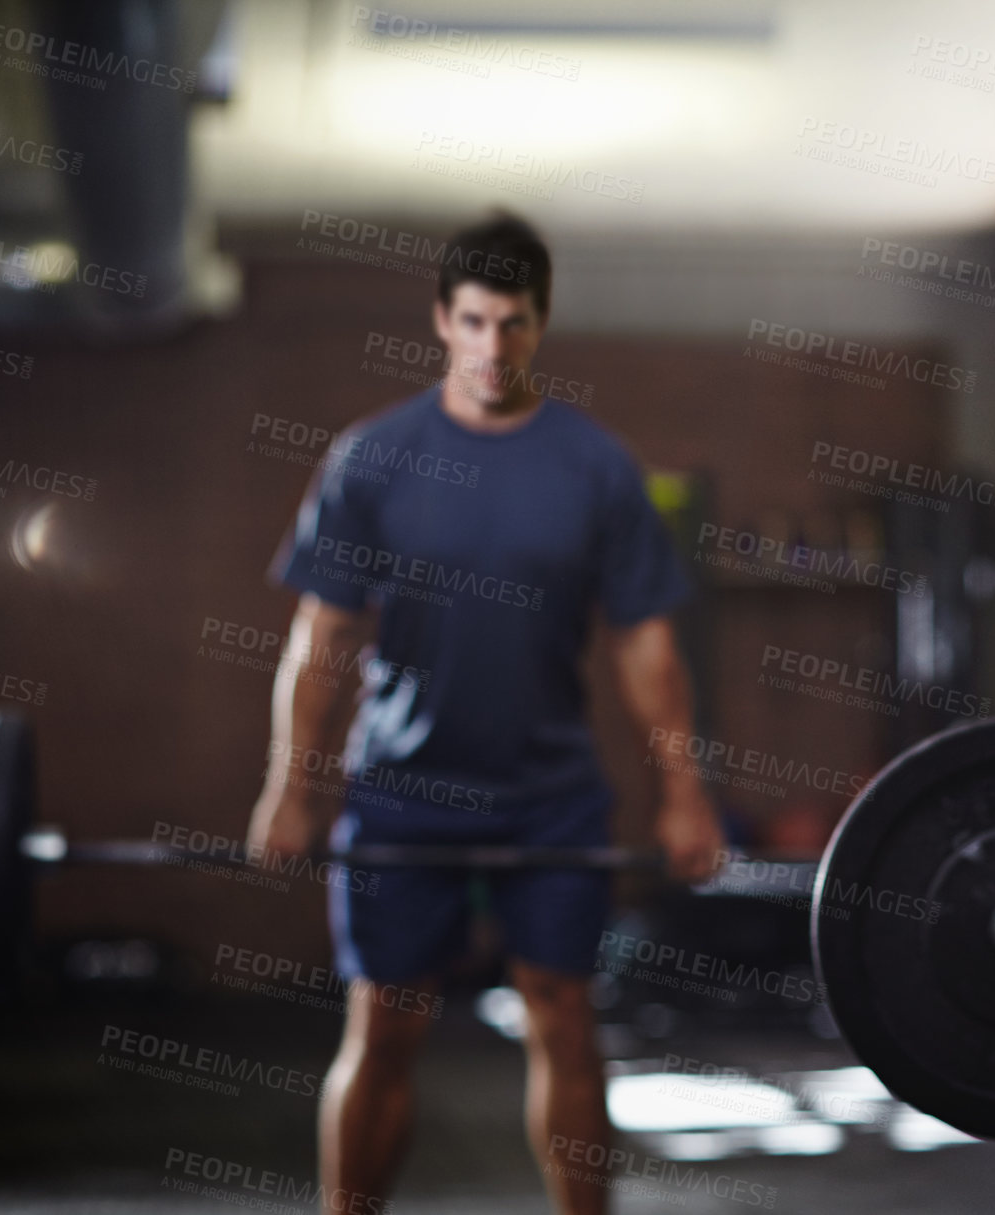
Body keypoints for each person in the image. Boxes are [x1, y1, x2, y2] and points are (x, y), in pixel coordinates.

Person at [245, 212, 724, 1215]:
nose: (491, 347)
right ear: (440, 320)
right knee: (384, 1021)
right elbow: (320, 643)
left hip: (546, 796)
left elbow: (646, 649)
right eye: (473, 322)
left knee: (562, 1015)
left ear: (539, 323)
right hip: (401, 791)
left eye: (512, 324)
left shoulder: (595, 468)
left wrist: (683, 795)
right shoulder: (371, 458)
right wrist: (291, 790)